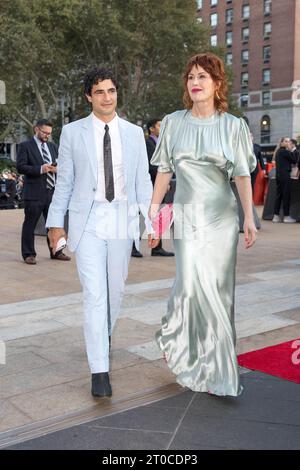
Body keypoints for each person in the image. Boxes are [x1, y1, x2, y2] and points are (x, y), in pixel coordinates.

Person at [148, 53, 257, 397]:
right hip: (186, 216)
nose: (195, 82)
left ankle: (218, 369)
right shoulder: (173, 123)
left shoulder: (233, 126)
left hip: (222, 218)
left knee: (218, 292)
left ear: (217, 84)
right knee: (190, 286)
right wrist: (152, 214)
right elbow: (164, 171)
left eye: (203, 77)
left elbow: (241, 175)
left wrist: (249, 219)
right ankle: (185, 351)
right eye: (191, 76)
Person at [47, 68, 153, 398]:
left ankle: (102, 335)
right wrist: (55, 224)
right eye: (99, 92)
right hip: (89, 218)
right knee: (94, 295)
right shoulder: (72, 133)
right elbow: (63, 183)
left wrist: (153, 223)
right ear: (88, 97)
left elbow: (143, 183)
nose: (107, 97)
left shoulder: (135, 133)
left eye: (111, 91)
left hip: (122, 217)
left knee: (115, 293)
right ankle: (100, 370)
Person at [16, 119, 71, 264]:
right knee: (30, 225)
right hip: (34, 193)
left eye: (49, 133)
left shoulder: (52, 147)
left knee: (54, 224)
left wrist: (56, 169)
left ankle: (56, 251)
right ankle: (29, 254)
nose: (47, 135)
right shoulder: (25, 146)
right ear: (36, 130)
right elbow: (20, 167)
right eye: (45, 132)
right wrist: (41, 169)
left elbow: (62, 164)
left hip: (52, 193)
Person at [146, 118, 174, 257]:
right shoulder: (149, 143)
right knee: (148, 214)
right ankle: (135, 246)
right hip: (152, 184)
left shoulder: (160, 142)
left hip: (157, 183)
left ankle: (157, 247)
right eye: (159, 125)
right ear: (151, 128)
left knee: (157, 215)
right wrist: (163, 181)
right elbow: (152, 166)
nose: (162, 127)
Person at [272, 137, 298, 223]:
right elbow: (294, 160)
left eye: (288, 141)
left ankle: (276, 216)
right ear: (282, 143)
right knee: (286, 195)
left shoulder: (279, 152)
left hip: (279, 175)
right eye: (286, 141)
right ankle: (286, 216)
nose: (288, 143)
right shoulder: (285, 151)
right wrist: (293, 149)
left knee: (279, 195)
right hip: (285, 175)